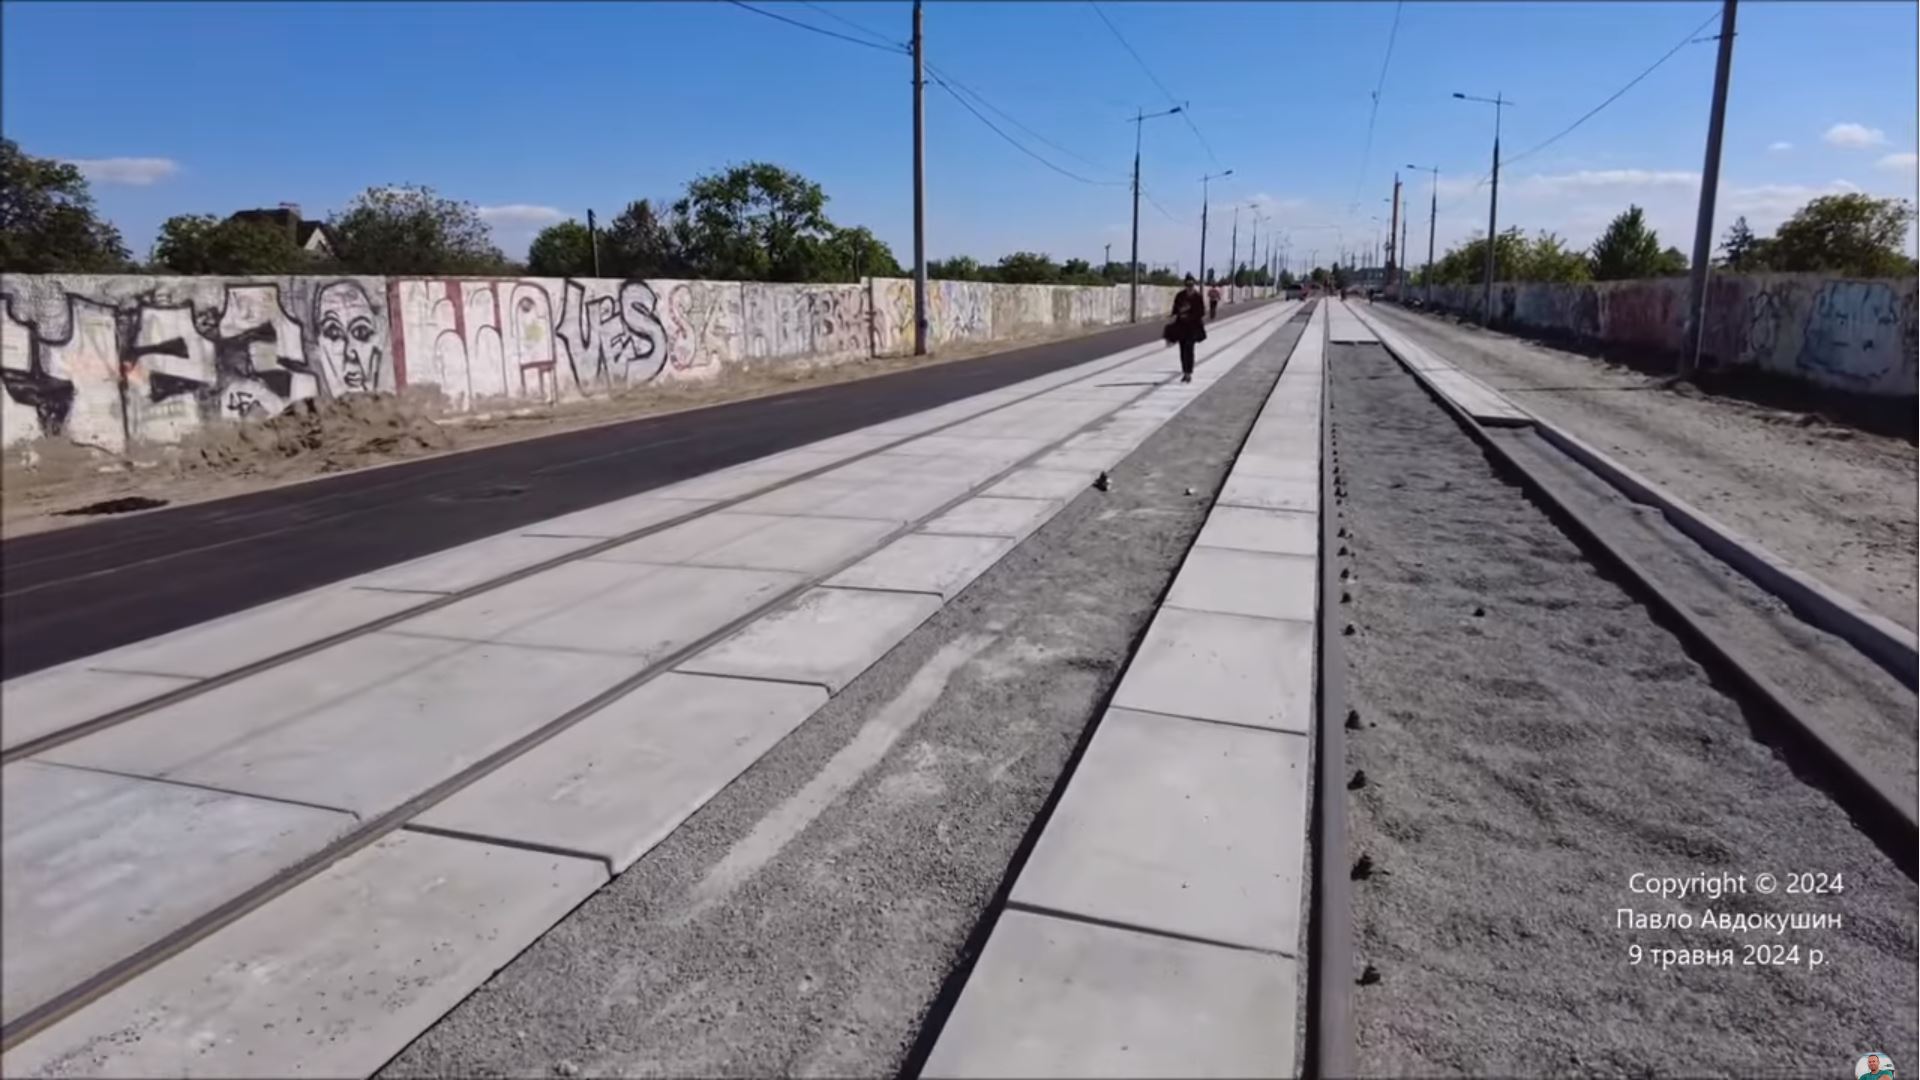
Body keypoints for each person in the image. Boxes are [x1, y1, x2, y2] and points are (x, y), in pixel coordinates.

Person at [1165, 275, 1207, 383]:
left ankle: (1189, 372)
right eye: (1187, 285)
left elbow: (1202, 312)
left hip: (1192, 328)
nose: (1189, 287)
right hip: (1181, 327)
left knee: (1189, 349)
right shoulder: (1180, 296)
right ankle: (1185, 372)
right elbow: (1175, 310)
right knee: (1182, 350)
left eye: (1191, 285)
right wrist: (1173, 317)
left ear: (1194, 285)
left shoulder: (1197, 297)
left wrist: (1191, 317)